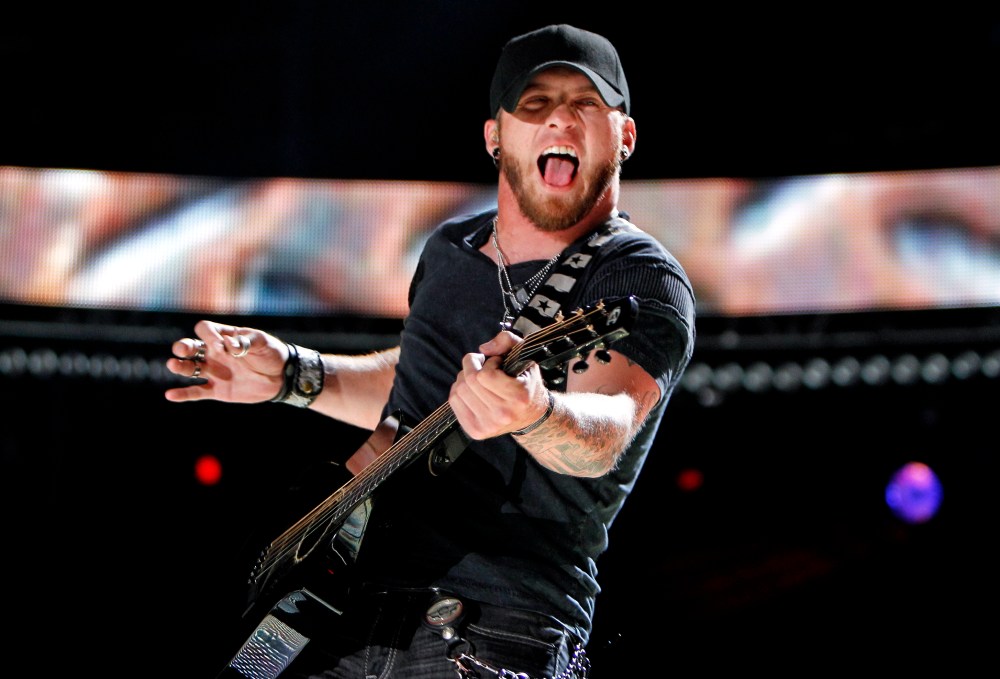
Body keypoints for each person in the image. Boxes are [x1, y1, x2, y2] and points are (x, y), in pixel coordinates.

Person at [165, 23, 695, 679]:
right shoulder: (449, 250)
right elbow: (414, 391)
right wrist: (296, 375)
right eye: (535, 103)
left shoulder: (637, 275)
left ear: (625, 136)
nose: (560, 116)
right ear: (494, 136)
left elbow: (607, 426)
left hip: (488, 629)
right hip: (328, 609)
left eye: (586, 102)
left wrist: (534, 412)